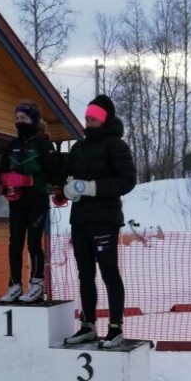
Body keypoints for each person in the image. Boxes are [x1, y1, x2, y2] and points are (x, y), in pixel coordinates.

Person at [61, 95, 137, 349]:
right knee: (85, 275)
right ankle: (88, 325)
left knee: (109, 274)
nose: (89, 120)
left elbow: (127, 181)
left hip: (105, 220)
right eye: (87, 116)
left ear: (104, 118)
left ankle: (115, 327)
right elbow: (69, 177)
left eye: (93, 117)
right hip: (80, 220)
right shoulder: (78, 148)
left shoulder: (116, 146)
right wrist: (66, 190)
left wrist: (92, 187)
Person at [0, 100, 57, 304]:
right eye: (17, 119)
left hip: (37, 200)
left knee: (33, 241)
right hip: (17, 202)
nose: (19, 122)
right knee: (15, 242)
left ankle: (37, 284)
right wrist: (6, 184)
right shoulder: (12, 145)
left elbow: (52, 172)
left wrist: (30, 180)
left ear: (33, 119)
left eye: (23, 118)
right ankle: (14, 284)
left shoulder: (43, 143)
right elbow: (2, 170)